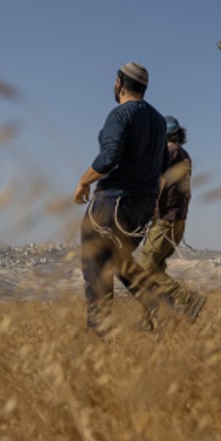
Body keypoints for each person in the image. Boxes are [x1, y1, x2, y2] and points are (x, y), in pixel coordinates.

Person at [75, 62, 167, 333]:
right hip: (141, 207)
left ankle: (98, 336)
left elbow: (109, 157)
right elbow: (162, 168)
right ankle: (164, 307)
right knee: (120, 261)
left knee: (96, 269)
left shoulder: (120, 115)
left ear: (118, 83)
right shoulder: (159, 121)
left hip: (112, 202)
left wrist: (83, 182)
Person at [132, 116, 206, 322]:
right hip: (178, 219)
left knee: (146, 264)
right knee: (157, 267)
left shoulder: (168, 152)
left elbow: (160, 183)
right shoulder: (184, 155)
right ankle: (153, 317)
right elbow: (188, 193)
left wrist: (150, 207)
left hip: (165, 218)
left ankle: (188, 299)